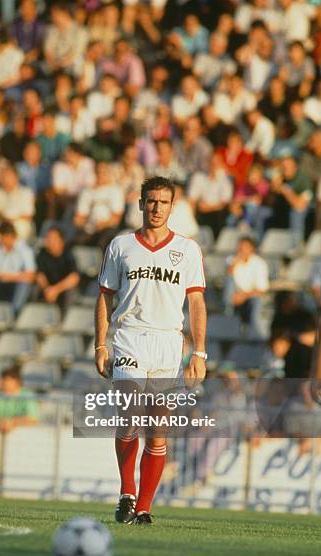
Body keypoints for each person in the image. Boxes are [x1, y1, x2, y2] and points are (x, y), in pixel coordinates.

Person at [95, 176, 207, 524]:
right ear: (141, 203)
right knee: (130, 415)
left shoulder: (188, 250)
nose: (157, 208)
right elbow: (105, 297)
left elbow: (197, 303)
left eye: (163, 202)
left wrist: (199, 353)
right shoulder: (120, 246)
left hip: (169, 342)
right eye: (151, 201)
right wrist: (101, 343)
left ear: (172, 207)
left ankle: (144, 507)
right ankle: (127, 492)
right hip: (130, 335)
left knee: (158, 427)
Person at [0, 221, 35, 314]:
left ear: (11, 236)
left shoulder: (25, 250)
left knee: (24, 284)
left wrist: (10, 277)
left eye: (3, 237)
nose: (1, 240)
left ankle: (15, 313)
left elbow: (30, 275)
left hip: (16, 282)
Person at [73, 161, 124, 249]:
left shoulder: (115, 191)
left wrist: (102, 225)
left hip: (108, 228)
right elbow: (79, 216)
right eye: (98, 172)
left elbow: (116, 218)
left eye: (104, 172)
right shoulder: (86, 192)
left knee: (104, 241)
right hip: (89, 229)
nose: (101, 175)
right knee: (75, 242)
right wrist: (82, 223)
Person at [224, 236, 269, 337]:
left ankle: (256, 332)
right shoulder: (231, 260)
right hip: (235, 296)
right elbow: (228, 277)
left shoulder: (260, 263)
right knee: (229, 282)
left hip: (251, 296)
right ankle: (229, 317)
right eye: (239, 247)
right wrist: (235, 263)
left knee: (257, 301)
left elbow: (261, 290)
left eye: (244, 247)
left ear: (251, 248)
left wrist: (243, 296)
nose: (241, 249)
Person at [0, 366, 39, 433]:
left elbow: (33, 419)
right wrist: (0, 422)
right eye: (2, 380)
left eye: (6, 380)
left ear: (17, 382)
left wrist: (12, 422)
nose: (2, 383)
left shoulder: (28, 396)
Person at [36, 227, 80, 313]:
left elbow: (74, 278)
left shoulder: (68, 254)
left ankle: (64, 322)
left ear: (61, 241)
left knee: (70, 293)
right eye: (48, 238)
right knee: (34, 289)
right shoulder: (42, 253)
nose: (50, 241)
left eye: (53, 238)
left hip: (63, 288)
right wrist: (47, 289)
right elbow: (39, 275)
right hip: (48, 288)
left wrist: (55, 290)